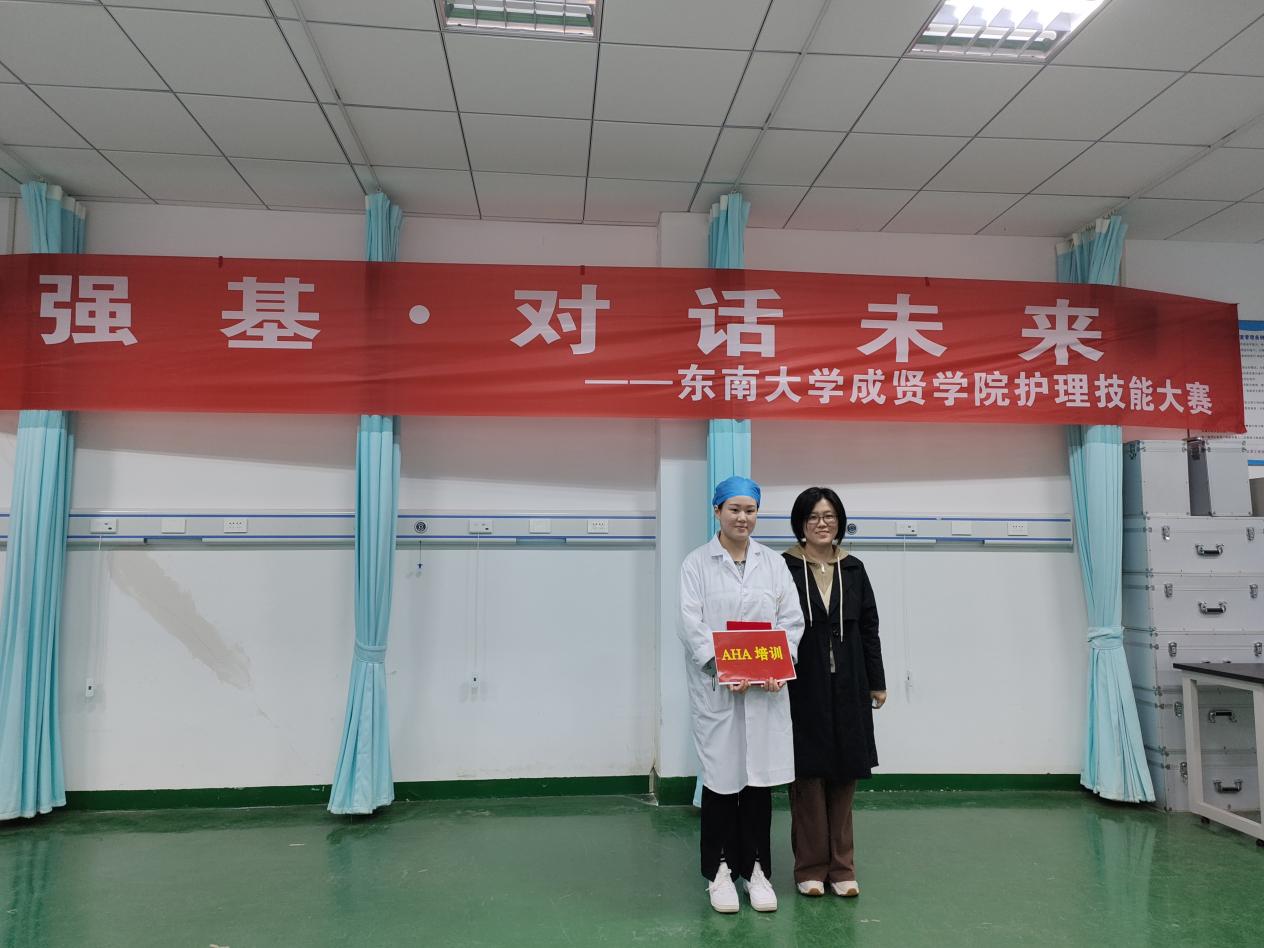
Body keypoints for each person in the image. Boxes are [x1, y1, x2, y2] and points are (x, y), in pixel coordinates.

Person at [679, 475, 804, 915]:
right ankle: (719, 871)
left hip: (765, 694)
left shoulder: (773, 564)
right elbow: (691, 626)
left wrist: (779, 666)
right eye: (734, 509)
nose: (742, 518)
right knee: (720, 783)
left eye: (750, 510)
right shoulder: (696, 564)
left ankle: (755, 870)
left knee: (757, 783)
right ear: (717, 511)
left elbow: (791, 621)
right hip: (718, 693)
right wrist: (722, 667)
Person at [781, 486, 886, 899]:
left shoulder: (854, 568)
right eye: (813, 517)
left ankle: (842, 868)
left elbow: (870, 628)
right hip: (800, 684)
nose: (821, 524)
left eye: (829, 516)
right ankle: (809, 867)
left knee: (845, 774)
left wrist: (877, 681)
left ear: (839, 521)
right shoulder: (784, 567)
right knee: (807, 775)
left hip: (849, 684)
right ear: (801, 523)